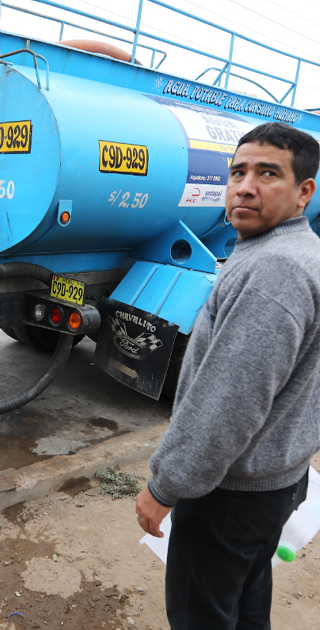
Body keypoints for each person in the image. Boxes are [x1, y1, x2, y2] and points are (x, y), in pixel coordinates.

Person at [135, 122, 320, 629]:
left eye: (268, 174)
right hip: (273, 483)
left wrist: (165, 487)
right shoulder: (299, 255)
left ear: (304, 192)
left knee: (203, 615)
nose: (244, 186)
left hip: (230, 496)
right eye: (237, 172)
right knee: (244, 601)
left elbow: (228, 403)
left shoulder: (274, 270)